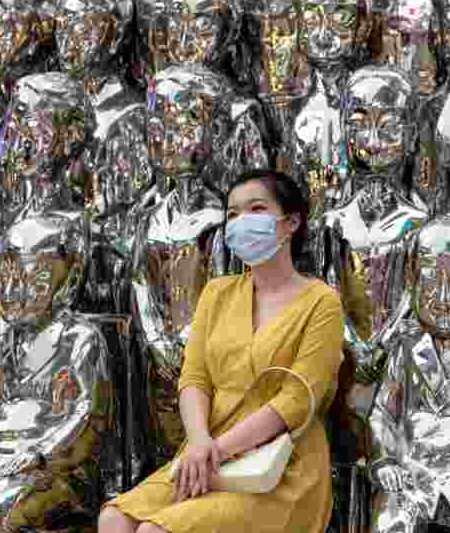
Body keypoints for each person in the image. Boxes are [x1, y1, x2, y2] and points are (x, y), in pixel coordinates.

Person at [98, 169, 345, 533]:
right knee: (114, 519)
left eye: (256, 209)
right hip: (207, 450)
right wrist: (199, 442)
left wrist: (217, 451)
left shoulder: (322, 303)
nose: (242, 221)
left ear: (291, 222)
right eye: (232, 214)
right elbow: (194, 378)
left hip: (278, 464)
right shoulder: (217, 293)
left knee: (156, 531)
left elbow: (296, 400)